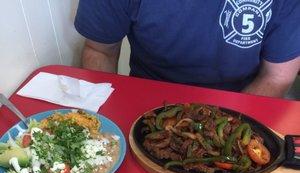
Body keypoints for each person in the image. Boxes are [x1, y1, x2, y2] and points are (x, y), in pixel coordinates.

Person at [74, 0, 300, 98]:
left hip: (241, 101)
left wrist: (228, 125)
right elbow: (100, 51)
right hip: (145, 100)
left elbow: (277, 77)